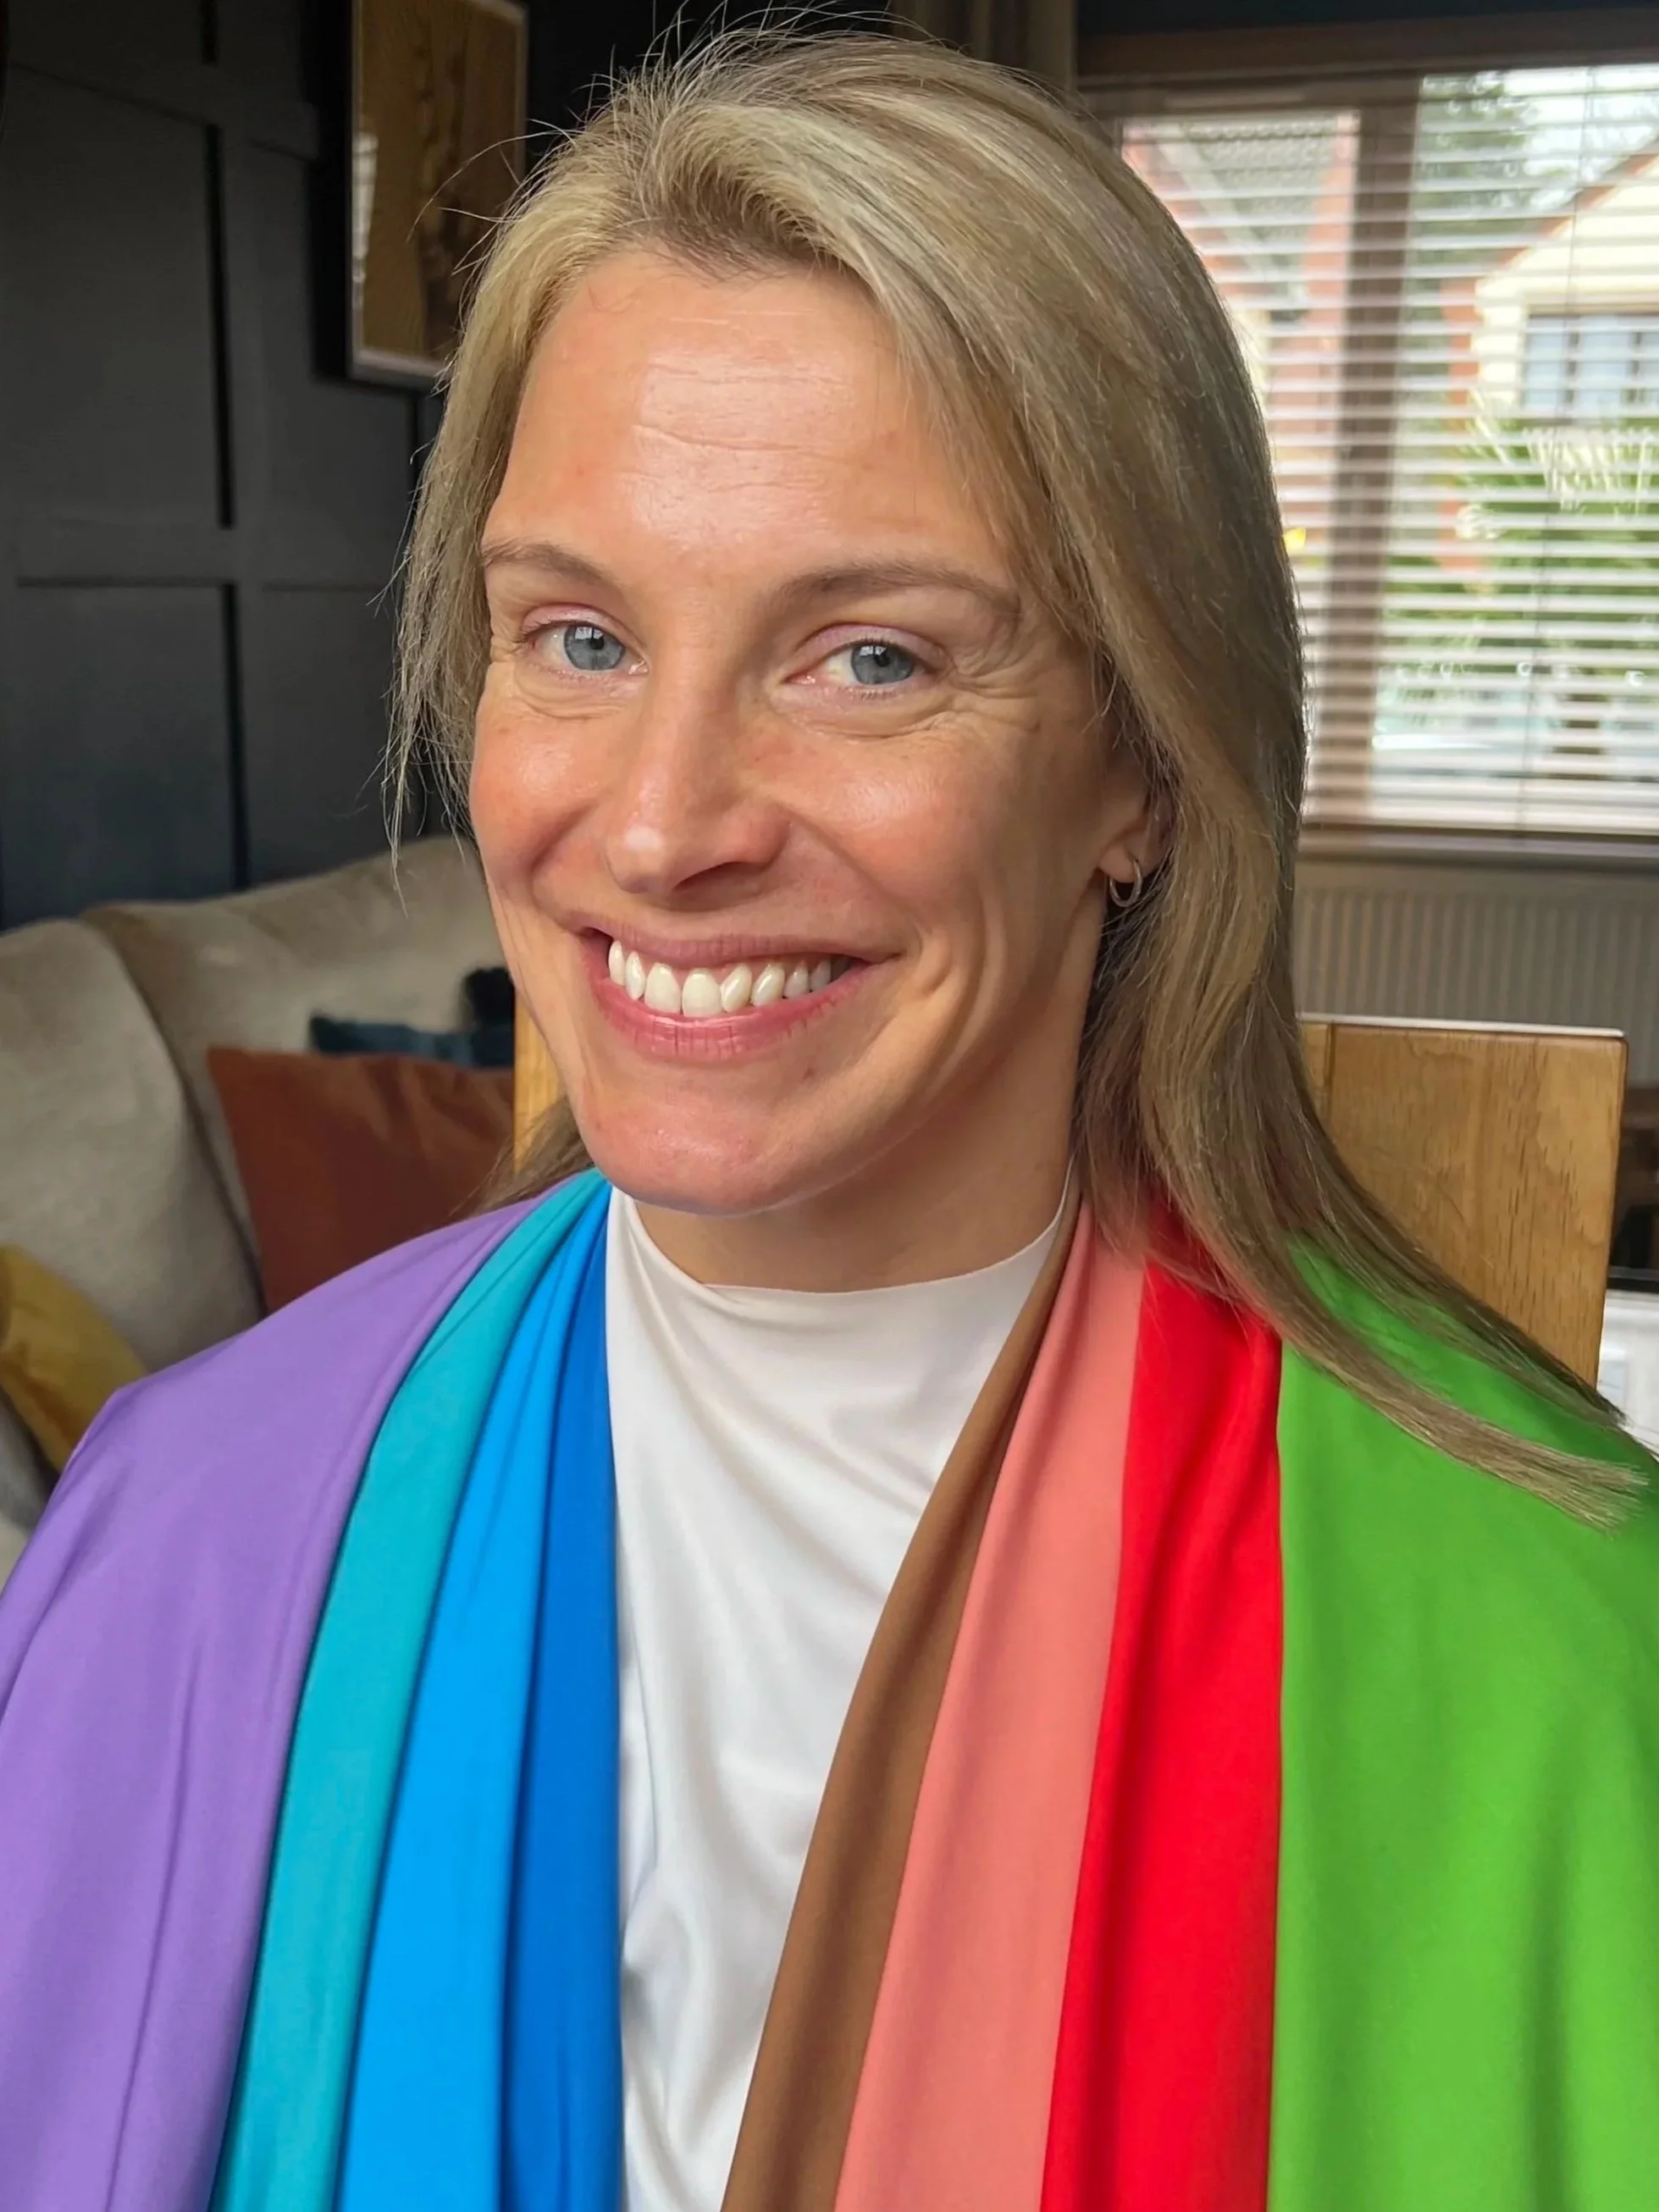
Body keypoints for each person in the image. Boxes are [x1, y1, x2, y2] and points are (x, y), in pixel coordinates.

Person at [2, 33, 1656, 2212]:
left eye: (869, 657)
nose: (660, 825)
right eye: (579, 635)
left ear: (1146, 770)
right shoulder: (182, 1537)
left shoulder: (1556, 1661)